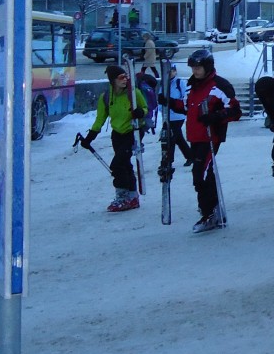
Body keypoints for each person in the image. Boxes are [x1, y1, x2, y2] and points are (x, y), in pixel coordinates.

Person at [165, 48, 241, 233]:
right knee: (205, 174)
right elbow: (185, 107)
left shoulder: (219, 85)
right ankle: (213, 210)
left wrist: (215, 117)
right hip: (195, 136)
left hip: (210, 137)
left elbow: (235, 111)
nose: (195, 71)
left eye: (198, 67)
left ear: (207, 66)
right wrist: (166, 101)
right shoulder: (192, 86)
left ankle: (209, 213)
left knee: (200, 175)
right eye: (193, 67)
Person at [80, 64, 148, 212]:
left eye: (126, 77)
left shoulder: (134, 93)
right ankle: (132, 196)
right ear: (113, 80)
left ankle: (122, 196)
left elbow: (145, 108)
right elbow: (100, 119)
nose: (125, 80)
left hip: (133, 133)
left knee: (117, 165)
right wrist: (90, 137)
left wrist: (140, 113)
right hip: (117, 134)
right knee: (124, 165)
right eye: (121, 78)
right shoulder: (105, 97)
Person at [164, 64, 193, 167]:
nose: (170, 73)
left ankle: (168, 161)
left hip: (178, 115)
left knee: (171, 137)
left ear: (175, 72)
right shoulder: (165, 84)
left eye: (172, 71)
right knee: (178, 138)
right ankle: (190, 156)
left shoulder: (179, 82)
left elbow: (186, 97)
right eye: (168, 71)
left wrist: (179, 106)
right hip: (168, 116)